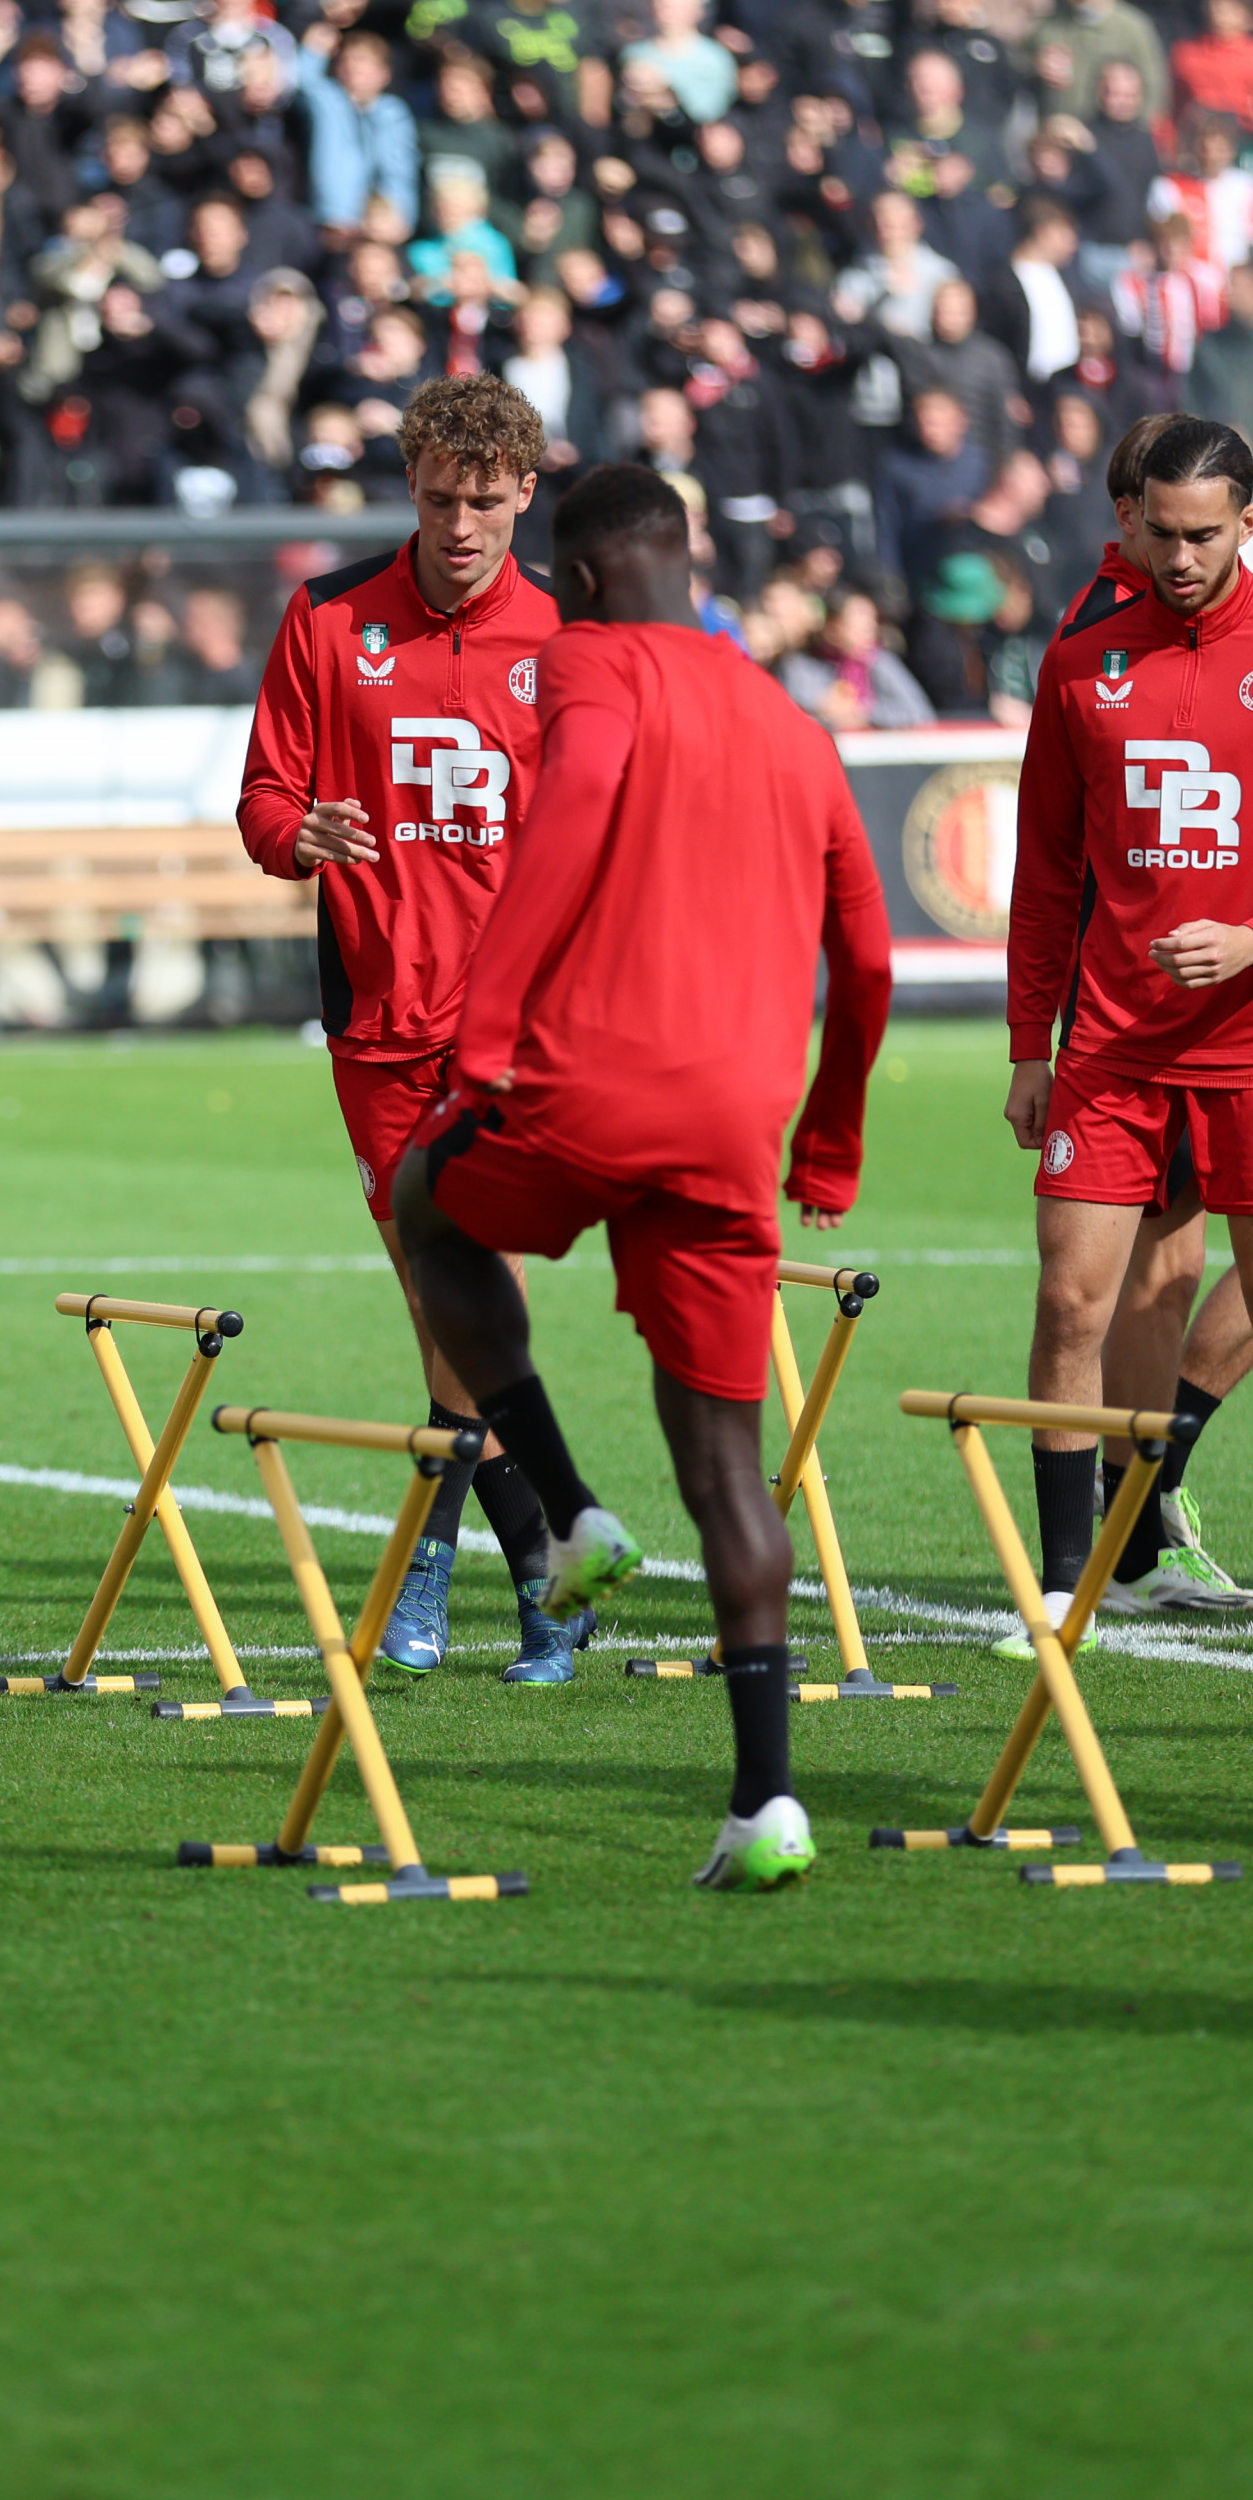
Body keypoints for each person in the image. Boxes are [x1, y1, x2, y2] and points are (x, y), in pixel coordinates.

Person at [390, 466, 893, 1891]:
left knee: (423, 1206)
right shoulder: (798, 727)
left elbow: (579, 803)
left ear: (591, 581)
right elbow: (866, 959)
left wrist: (485, 1029)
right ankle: (767, 1803)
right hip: (738, 1122)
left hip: (591, 1081)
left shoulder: (586, 661)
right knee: (731, 1465)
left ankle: (562, 1514)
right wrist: (833, 1136)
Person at [1000, 417, 1253, 1662]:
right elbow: (1046, 871)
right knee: (1074, 1302)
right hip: (1109, 1047)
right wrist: (1026, 1046)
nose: (1178, 556)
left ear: (1249, 524)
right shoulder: (1081, 662)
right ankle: (1073, 1582)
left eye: (1203, 534)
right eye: (1158, 532)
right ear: (1127, 523)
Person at [232, 373, 576, 1680]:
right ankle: (541, 1560)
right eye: (439, 500)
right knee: (448, 1309)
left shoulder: (563, 639)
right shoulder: (327, 622)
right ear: (410, 489)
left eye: (486, 502)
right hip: (375, 1020)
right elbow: (264, 797)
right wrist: (297, 835)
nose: (461, 526)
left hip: (512, 1033)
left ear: (523, 496)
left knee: (472, 1291)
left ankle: (453, 1574)